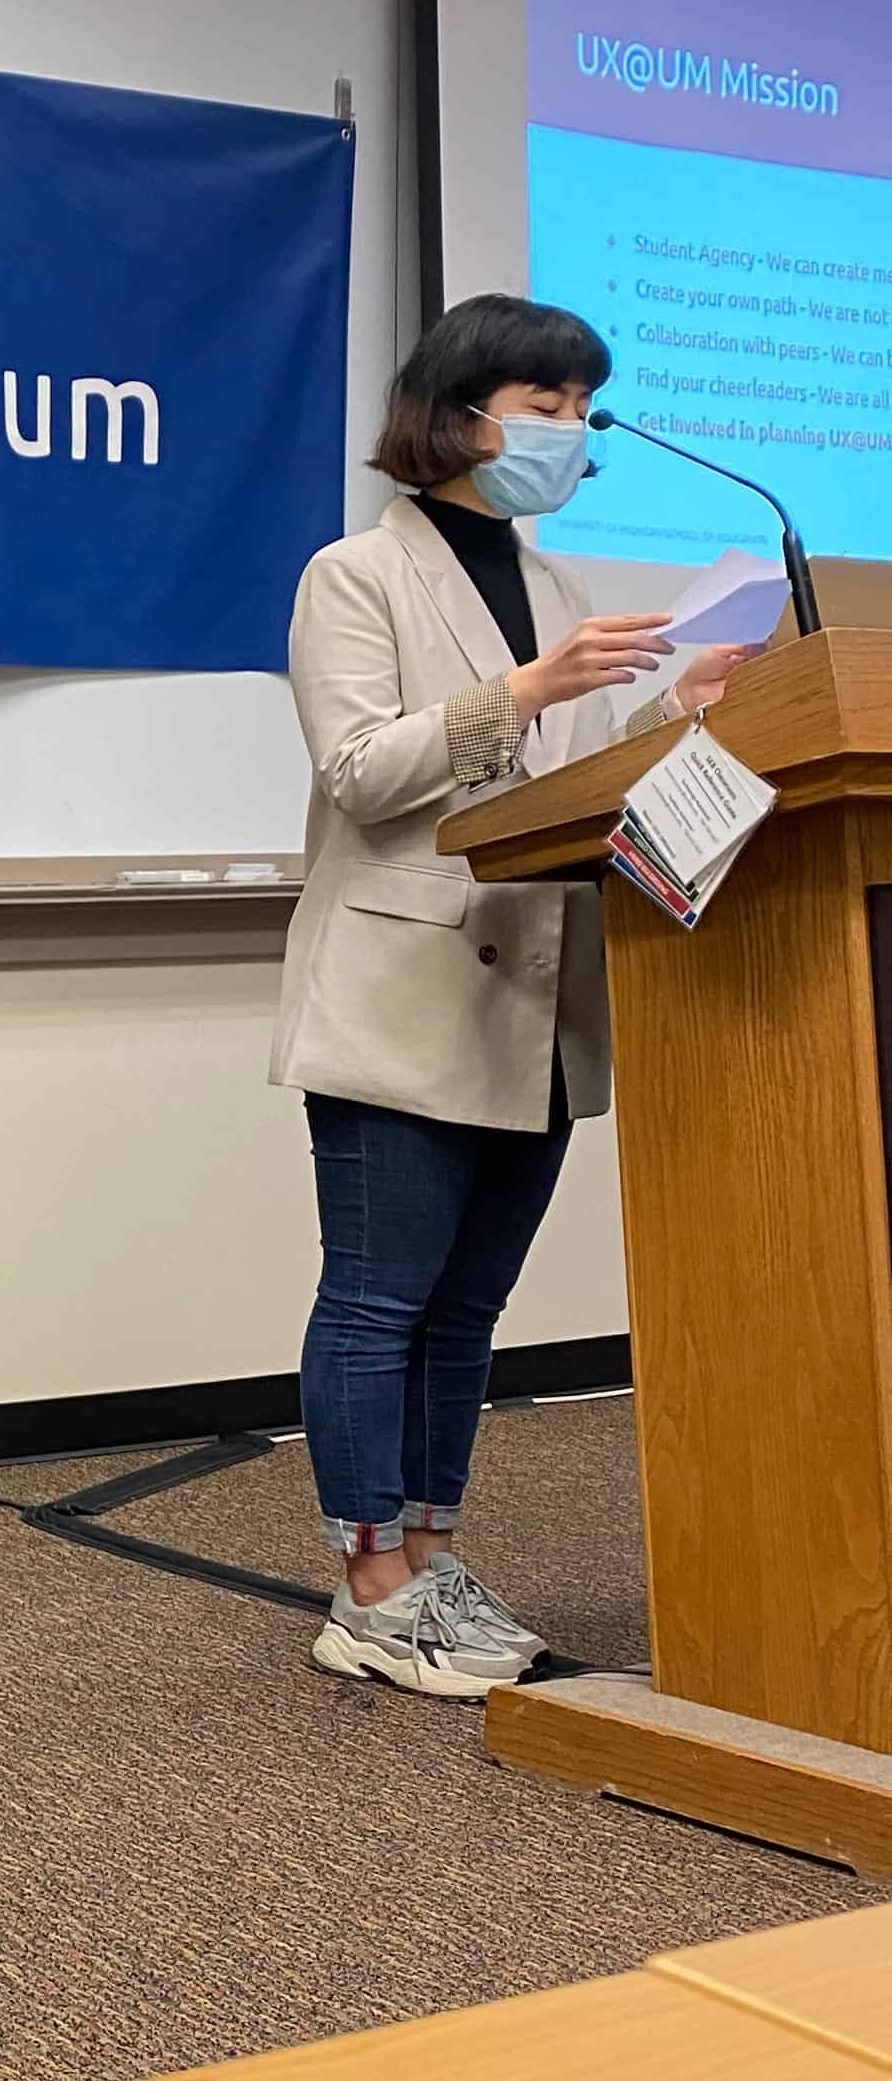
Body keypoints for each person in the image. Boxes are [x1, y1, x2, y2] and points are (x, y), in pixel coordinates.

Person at [273, 295, 747, 1699]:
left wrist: (686, 708)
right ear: (462, 409)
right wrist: (525, 691)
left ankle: (430, 1555)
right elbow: (364, 773)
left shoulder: (556, 588)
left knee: (469, 1310)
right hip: (403, 984)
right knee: (378, 1301)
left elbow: (575, 780)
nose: (569, 429)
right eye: (545, 402)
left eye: (580, 407)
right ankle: (365, 1585)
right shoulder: (351, 575)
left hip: (539, 997)